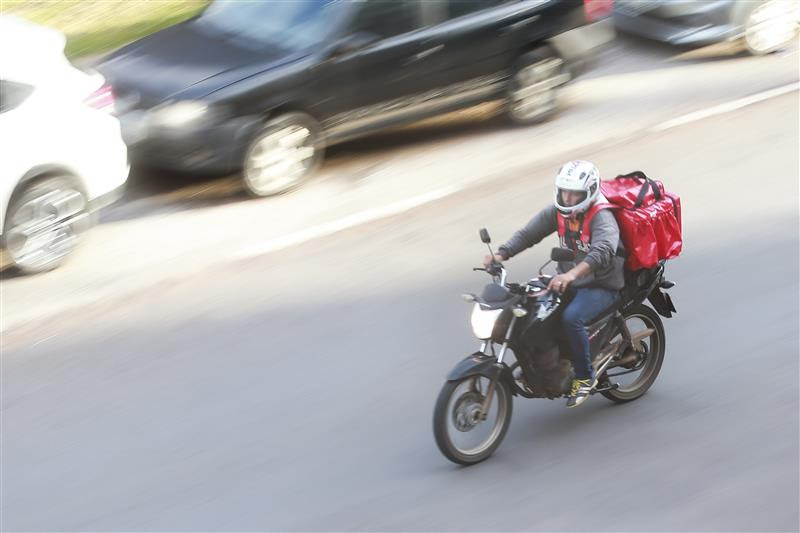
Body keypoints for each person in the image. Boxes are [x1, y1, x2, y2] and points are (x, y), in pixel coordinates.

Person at [484, 160, 625, 407]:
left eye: (575, 194)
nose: (568, 198)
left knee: (572, 318)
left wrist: (572, 275)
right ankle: (542, 365)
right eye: (564, 192)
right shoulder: (558, 212)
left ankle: (584, 377)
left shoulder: (602, 216)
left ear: (590, 192)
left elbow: (603, 251)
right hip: (567, 280)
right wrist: (501, 254)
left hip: (602, 284)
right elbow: (529, 233)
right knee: (532, 311)